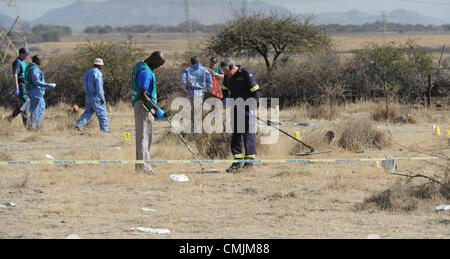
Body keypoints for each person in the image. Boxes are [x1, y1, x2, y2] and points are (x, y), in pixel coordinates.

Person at [220, 58, 261, 174]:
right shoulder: (228, 76)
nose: (225, 74)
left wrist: (252, 107)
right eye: (224, 72)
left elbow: (256, 92)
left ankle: (249, 161)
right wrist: (225, 99)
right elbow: (224, 88)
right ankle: (237, 161)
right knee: (236, 133)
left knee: (248, 133)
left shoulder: (246, 74)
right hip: (235, 107)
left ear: (232, 67)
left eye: (227, 71)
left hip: (248, 107)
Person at [131, 51, 166, 175]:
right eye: (159, 64)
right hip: (143, 106)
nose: (159, 66)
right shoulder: (145, 72)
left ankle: (143, 166)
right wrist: (156, 109)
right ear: (154, 59)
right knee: (144, 137)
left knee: (147, 137)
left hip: (146, 106)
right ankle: (144, 168)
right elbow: (143, 94)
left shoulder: (143, 66)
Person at [75, 58, 109, 132]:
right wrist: (102, 98)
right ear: (99, 65)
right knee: (102, 113)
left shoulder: (87, 72)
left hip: (88, 96)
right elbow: (99, 87)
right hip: (96, 96)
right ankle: (104, 130)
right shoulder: (97, 73)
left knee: (88, 112)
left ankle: (79, 125)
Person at [179, 57, 212, 133]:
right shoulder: (204, 70)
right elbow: (210, 83)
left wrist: (186, 86)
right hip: (201, 92)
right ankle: (197, 130)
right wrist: (207, 90)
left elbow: (182, 80)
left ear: (191, 62)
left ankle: (187, 128)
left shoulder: (187, 70)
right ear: (199, 61)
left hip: (191, 91)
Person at [25, 55, 57, 130]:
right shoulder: (34, 69)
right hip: (35, 90)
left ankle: (33, 125)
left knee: (38, 107)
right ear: (37, 60)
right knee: (36, 109)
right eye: (40, 60)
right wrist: (48, 84)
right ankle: (34, 126)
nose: (41, 62)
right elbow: (36, 81)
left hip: (31, 90)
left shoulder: (29, 67)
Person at [6, 48, 31, 125]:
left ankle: (10, 118)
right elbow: (15, 75)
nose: (27, 56)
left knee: (23, 104)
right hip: (20, 85)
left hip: (25, 85)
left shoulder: (23, 62)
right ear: (21, 54)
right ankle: (26, 124)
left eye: (27, 54)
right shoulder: (17, 62)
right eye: (26, 54)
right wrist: (17, 87)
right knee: (26, 103)